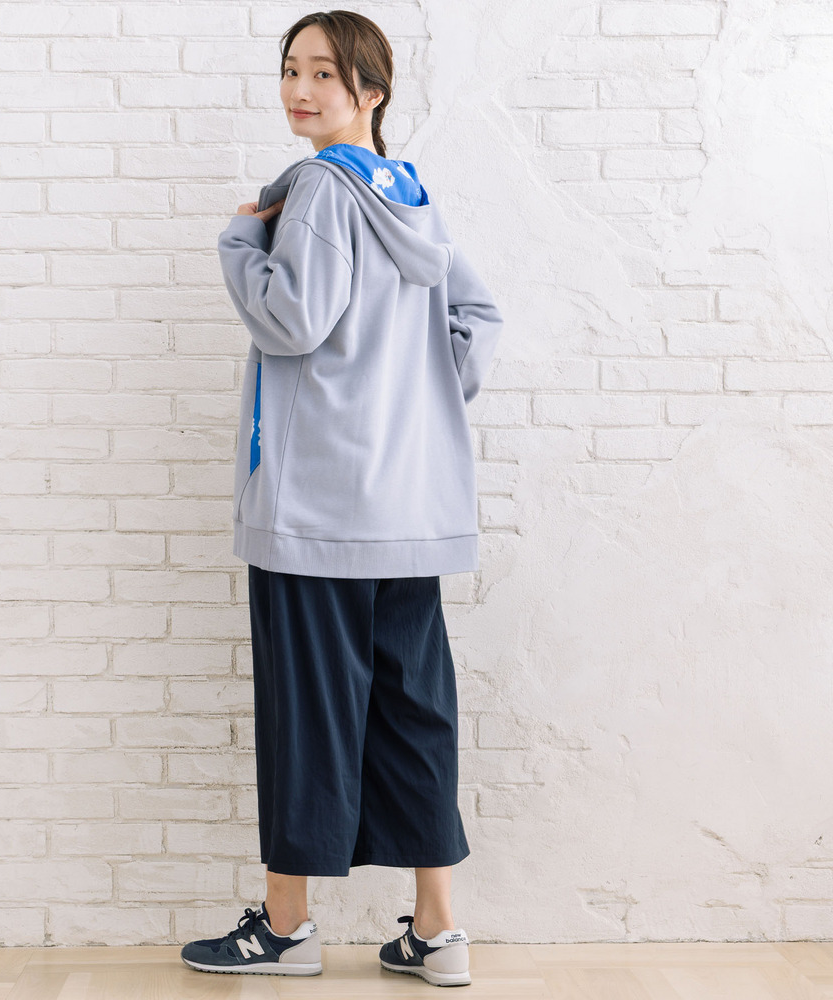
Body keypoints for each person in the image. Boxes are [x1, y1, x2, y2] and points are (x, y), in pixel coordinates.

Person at [180, 9, 503, 988]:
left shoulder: (317, 188)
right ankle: (437, 931)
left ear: (372, 89)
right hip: (408, 507)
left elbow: (293, 320)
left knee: (308, 712)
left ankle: (286, 929)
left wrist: (241, 240)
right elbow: (477, 318)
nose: (300, 89)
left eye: (324, 72)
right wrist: (415, 402)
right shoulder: (411, 193)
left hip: (318, 510)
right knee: (414, 710)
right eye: (291, 69)